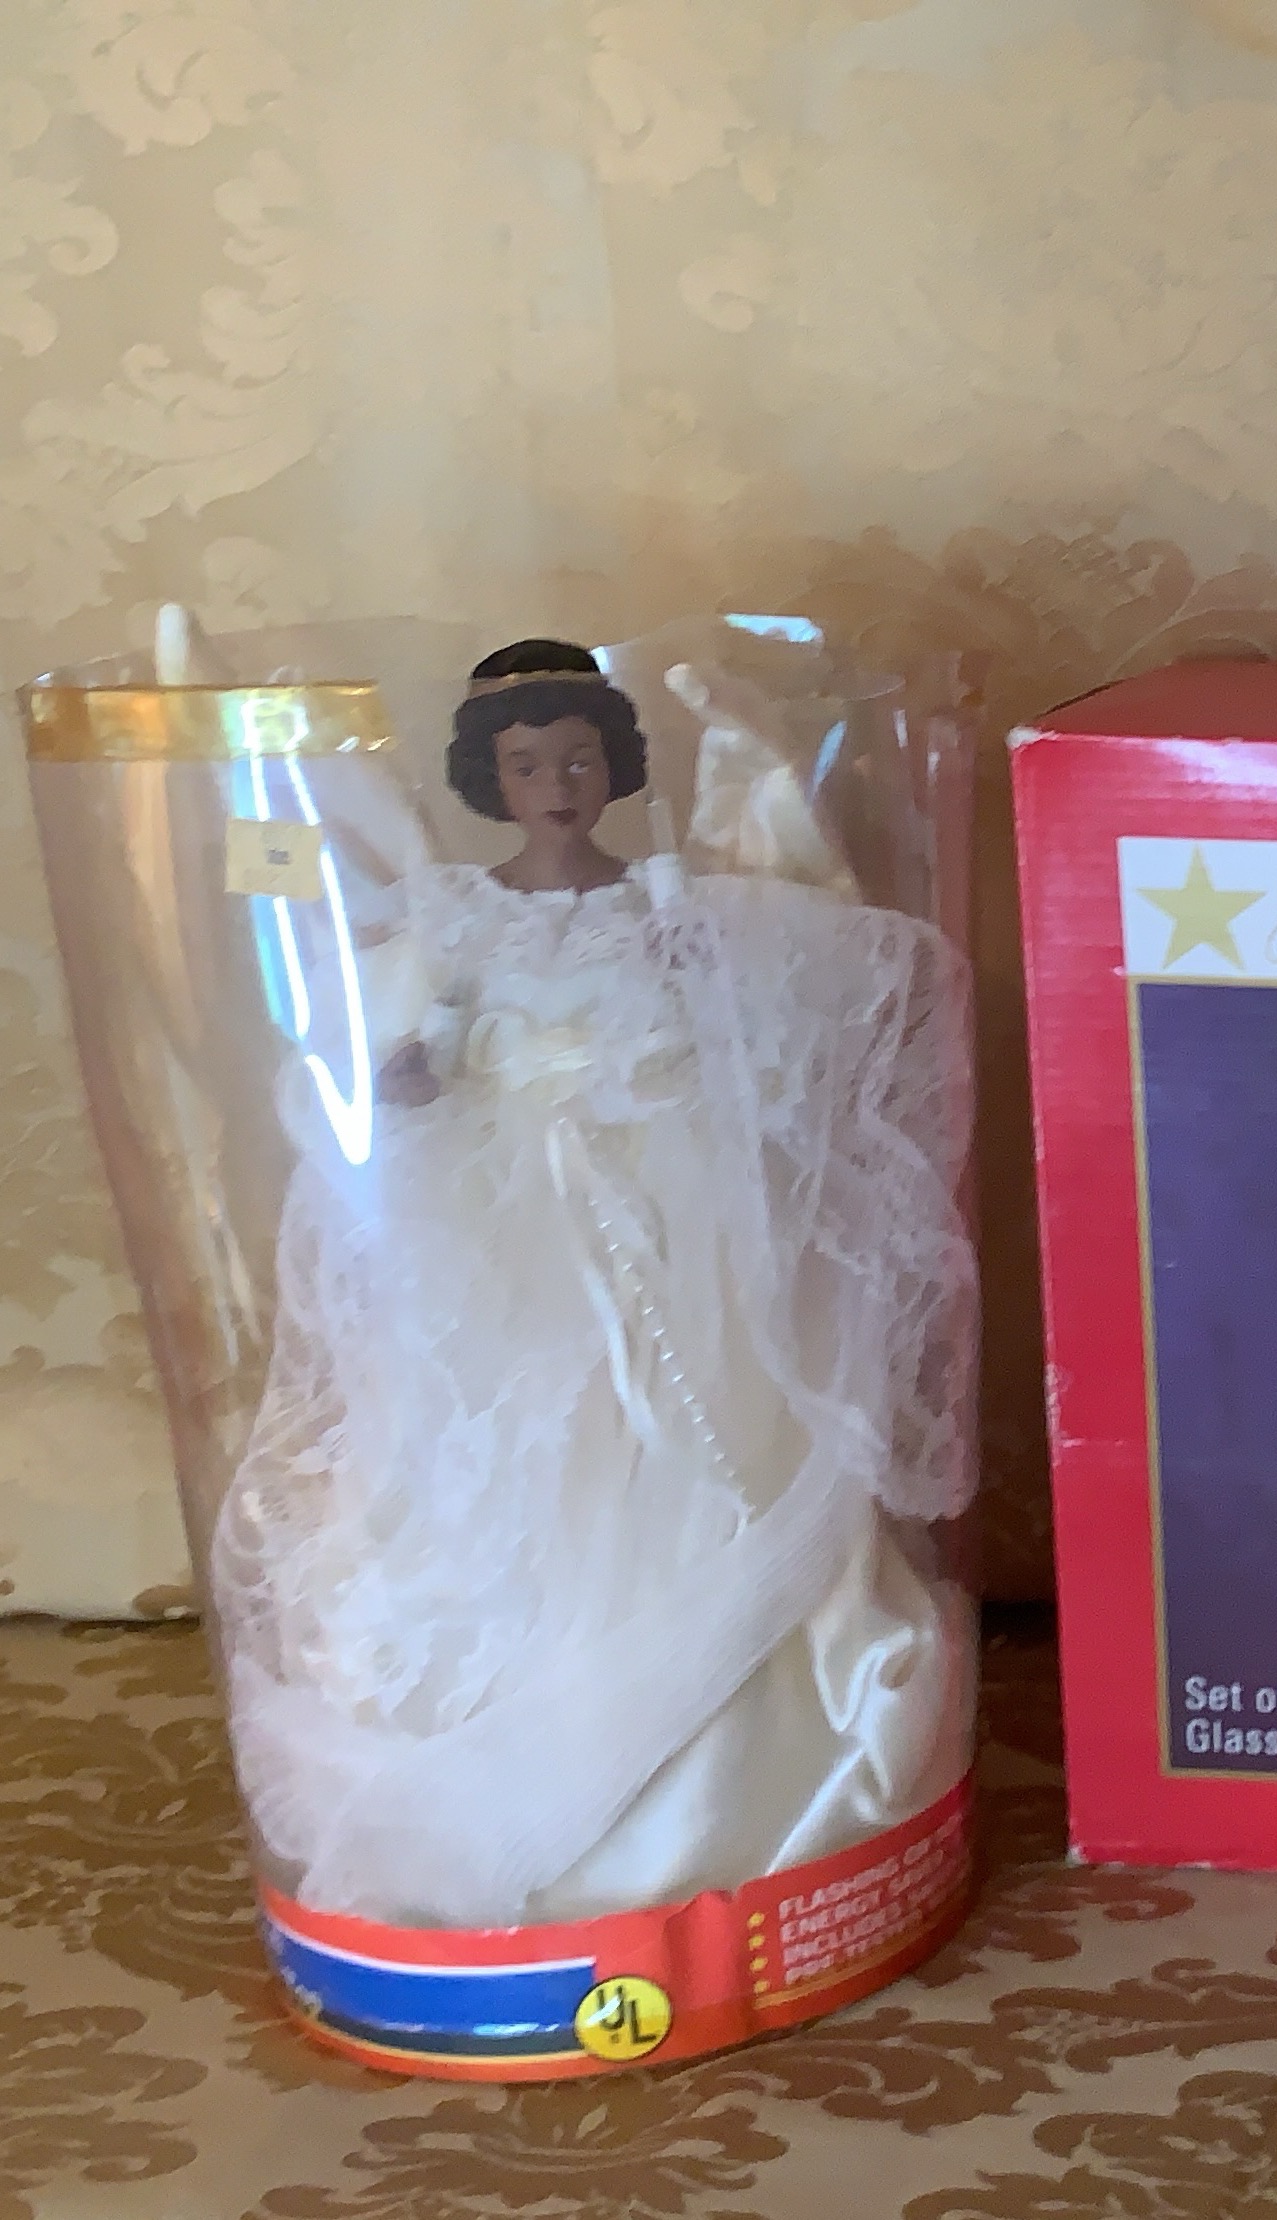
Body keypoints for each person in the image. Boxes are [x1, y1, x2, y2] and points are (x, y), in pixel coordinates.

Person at [209, 639, 978, 1930]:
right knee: (512, 1444)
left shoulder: (674, 904)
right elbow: (370, 1051)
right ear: (491, 781)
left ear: (613, 769)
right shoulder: (455, 916)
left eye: (576, 761)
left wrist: (722, 1013)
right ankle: (522, 1713)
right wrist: (401, 1082)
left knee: (700, 1434)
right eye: (527, 766)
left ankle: (741, 1731)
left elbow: (795, 1016)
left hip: (671, 1208)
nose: (556, 787)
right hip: (505, 1219)